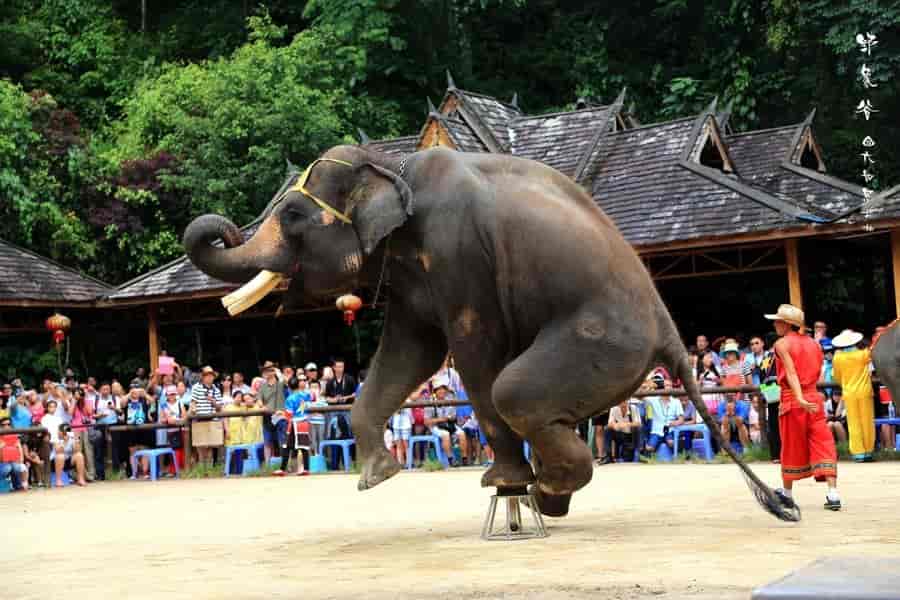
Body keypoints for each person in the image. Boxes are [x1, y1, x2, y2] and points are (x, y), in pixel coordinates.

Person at [764, 304, 840, 511]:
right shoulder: (815, 344)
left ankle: (787, 493)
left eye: (778, 321)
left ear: (787, 324)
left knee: (790, 444)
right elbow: (818, 373)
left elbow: (791, 373)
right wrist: (808, 395)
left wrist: (798, 396)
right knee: (823, 442)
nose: (774, 324)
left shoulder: (781, 344)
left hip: (793, 399)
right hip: (814, 397)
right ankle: (833, 494)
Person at [831, 329, 875, 462]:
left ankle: (858, 453)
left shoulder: (837, 357)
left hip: (848, 392)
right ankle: (868, 451)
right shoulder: (864, 354)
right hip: (864, 391)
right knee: (867, 422)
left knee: (853, 423)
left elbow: (836, 377)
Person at [189, 366, 223, 467]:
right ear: (203, 377)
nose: (209, 378)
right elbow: (193, 402)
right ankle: (202, 468)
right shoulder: (196, 387)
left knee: (210, 446)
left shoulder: (216, 389)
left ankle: (209, 468)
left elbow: (219, 407)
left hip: (212, 420)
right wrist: (193, 410)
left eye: (211, 376)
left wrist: (213, 401)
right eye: (207, 375)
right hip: (199, 419)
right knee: (200, 446)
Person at [643, 375, 684, 455]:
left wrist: (674, 423)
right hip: (656, 430)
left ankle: (680, 458)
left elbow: (681, 419)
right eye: (666, 385)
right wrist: (648, 386)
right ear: (661, 387)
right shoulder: (653, 400)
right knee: (649, 448)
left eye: (670, 386)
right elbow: (640, 396)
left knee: (671, 442)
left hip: (670, 430)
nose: (668, 388)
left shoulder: (676, 401)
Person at [259, 361, 286, 462]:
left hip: (280, 416)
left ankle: (285, 465)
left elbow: (285, 381)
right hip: (267, 417)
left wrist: (278, 372)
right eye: (266, 370)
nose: (267, 372)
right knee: (267, 442)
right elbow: (259, 399)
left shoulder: (280, 383)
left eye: (270, 369)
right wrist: (261, 405)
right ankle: (267, 465)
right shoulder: (262, 386)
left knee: (282, 441)